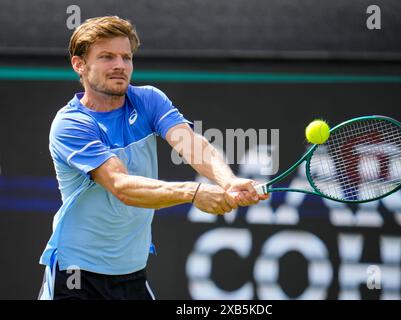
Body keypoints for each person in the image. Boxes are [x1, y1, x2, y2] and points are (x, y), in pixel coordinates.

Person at [38, 16, 268, 300]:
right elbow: (121, 186)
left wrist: (228, 180)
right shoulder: (71, 124)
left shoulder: (148, 100)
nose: (120, 65)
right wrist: (192, 192)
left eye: (126, 57)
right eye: (107, 57)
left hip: (132, 274)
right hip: (76, 279)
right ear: (79, 65)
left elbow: (190, 144)